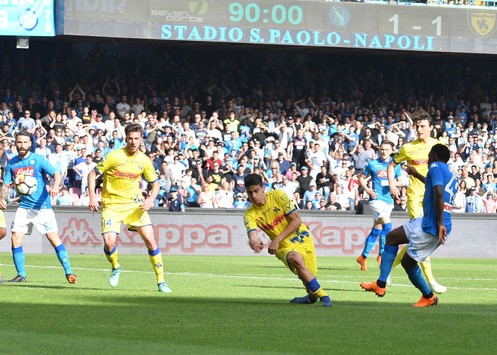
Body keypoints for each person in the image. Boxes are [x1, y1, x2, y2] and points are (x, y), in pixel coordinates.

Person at [361, 144, 457, 307]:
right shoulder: (449, 172)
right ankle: (380, 284)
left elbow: (439, 193)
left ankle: (428, 297)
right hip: (427, 221)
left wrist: (440, 224)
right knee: (391, 238)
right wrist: (416, 174)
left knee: (408, 263)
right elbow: (432, 184)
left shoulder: (434, 166)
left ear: (434, 155)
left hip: (432, 226)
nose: (427, 159)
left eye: (429, 155)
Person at [87, 123, 171, 293]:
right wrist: (92, 197)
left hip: (134, 206)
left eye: (136, 139)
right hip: (112, 205)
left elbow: (155, 184)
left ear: (141, 140)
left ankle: (161, 281)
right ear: (126, 138)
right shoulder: (114, 156)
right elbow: (92, 173)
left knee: (150, 240)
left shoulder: (144, 161)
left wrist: (151, 200)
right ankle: (116, 266)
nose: (133, 142)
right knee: (109, 243)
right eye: (130, 138)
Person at [243, 173, 332, 307]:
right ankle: (324, 296)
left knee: (310, 285)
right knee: (296, 259)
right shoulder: (250, 214)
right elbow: (252, 235)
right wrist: (254, 242)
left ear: (263, 188)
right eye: (250, 193)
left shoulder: (278, 195)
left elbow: (297, 220)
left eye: (256, 191)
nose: (254, 196)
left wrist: (276, 239)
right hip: (283, 247)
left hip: (302, 238)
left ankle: (311, 298)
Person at [0, 131, 77, 284]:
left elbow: (57, 174)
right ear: (15, 143)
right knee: (15, 238)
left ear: (30, 144)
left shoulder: (38, 159)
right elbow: (5, 185)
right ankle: (21, 275)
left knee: (53, 238)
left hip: (43, 207)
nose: (22, 145)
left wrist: (55, 186)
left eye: (25, 142)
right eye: (19, 142)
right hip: (24, 207)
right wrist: (2, 197)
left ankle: (69, 272)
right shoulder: (12, 163)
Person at [387, 111, 446, 294]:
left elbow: (443, 173)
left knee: (419, 239)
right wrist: (392, 186)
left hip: (432, 198)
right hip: (415, 198)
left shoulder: (438, 146)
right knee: (421, 236)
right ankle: (431, 281)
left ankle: (388, 268)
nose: (419, 129)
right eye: (417, 126)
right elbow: (391, 165)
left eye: (423, 126)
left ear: (430, 128)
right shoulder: (407, 148)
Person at [357, 141, 401, 271]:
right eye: (382, 149)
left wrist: (391, 184)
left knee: (377, 229)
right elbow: (361, 178)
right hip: (376, 200)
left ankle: (363, 257)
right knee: (388, 226)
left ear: (391, 150)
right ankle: (382, 255)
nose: (384, 152)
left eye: (386, 149)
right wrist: (368, 190)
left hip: (389, 201)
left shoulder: (394, 165)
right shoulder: (373, 164)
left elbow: (401, 181)